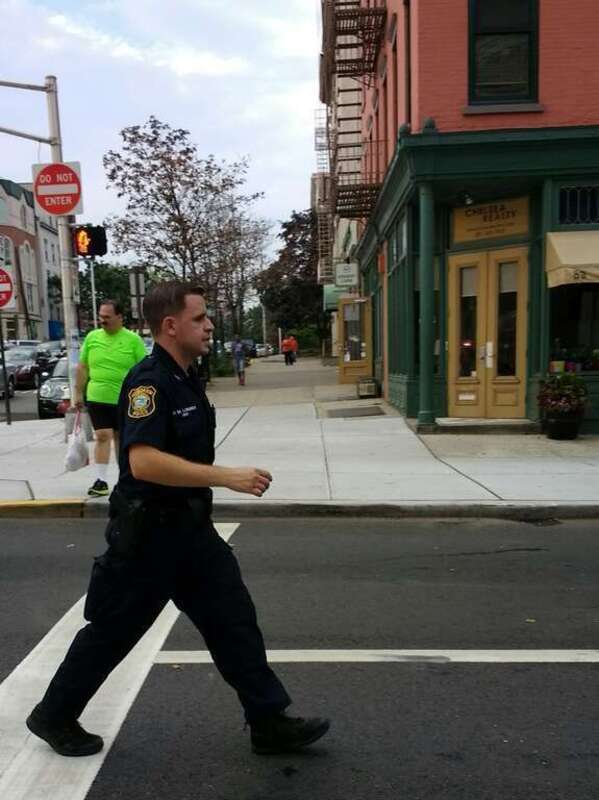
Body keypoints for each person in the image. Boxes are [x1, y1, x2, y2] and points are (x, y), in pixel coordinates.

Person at [26, 281, 330, 758]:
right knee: (113, 631)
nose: (209, 325)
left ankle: (268, 720)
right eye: (199, 318)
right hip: (148, 537)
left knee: (234, 620)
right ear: (171, 326)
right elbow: (143, 461)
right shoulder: (149, 382)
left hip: (190, 533)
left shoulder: (186, 376)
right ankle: (54, 714)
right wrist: (225, 476)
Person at [76, 300, 147, 497]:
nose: (102, 321)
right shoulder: (92, 338)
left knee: (121, 438)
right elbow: (82, 367)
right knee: (102, 436)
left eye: (107, 317)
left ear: (119, 317)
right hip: (97, 397)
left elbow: (144, 369)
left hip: (125, 399)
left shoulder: (133, 340)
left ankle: (125, 479)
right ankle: (101, 480)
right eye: (101, 316)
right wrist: (77, 393)